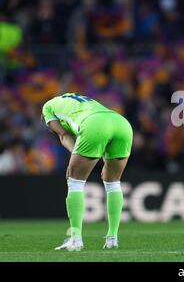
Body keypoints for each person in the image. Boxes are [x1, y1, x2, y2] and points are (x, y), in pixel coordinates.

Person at [41, 93, 133, 251]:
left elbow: (63, 135)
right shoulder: (75, 99)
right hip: (121, 123)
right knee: (113, 182)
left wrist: (75, 159)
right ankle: (112, 239)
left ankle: (75, 240)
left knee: (74, 179)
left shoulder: (47, 108)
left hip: (95, 125)